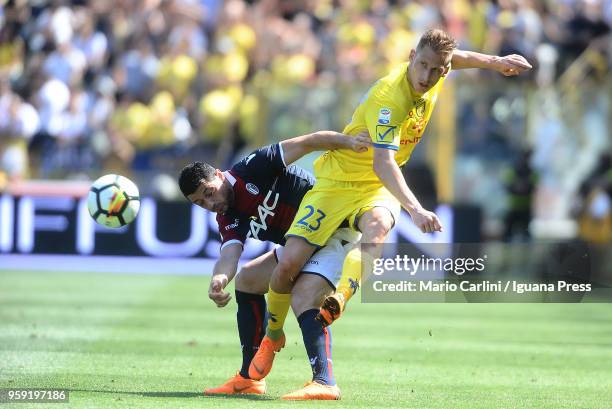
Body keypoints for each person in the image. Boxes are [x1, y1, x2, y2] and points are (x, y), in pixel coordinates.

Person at [249, 28, 532, 381]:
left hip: (375, 188)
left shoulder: (438, 70)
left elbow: (454, 59)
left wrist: (495, 62)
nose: (428, 77)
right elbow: (383, 162)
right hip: (338, 182)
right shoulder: (389, 98)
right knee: (288, 263)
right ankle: (272, 338)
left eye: (437, 69)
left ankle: (339, 298)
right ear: (411, 57)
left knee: (379, 226)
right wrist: (415, 209)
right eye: (423, 66)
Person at [178, 130, 369, 400]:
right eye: (201, 203)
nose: (211, 204)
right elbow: (229, 255)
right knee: (247, 280)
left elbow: (309, 142)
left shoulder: (253, 167)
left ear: (219, 175)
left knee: (303, 296)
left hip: (332, 231)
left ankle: (324, 381)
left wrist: (349, 142)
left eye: (209, 193)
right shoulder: (226, 216)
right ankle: (249, 378)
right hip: (298, 246)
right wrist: (219, 279)